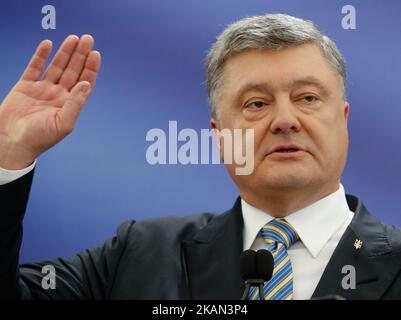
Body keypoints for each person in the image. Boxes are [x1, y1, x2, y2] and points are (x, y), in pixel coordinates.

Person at [0, 13, 400, 300]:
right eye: (256, 104)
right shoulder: (141, 254)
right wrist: (8, 153)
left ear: (343, 119)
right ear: (219, 136)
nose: (284, 120)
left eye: (308, 98)